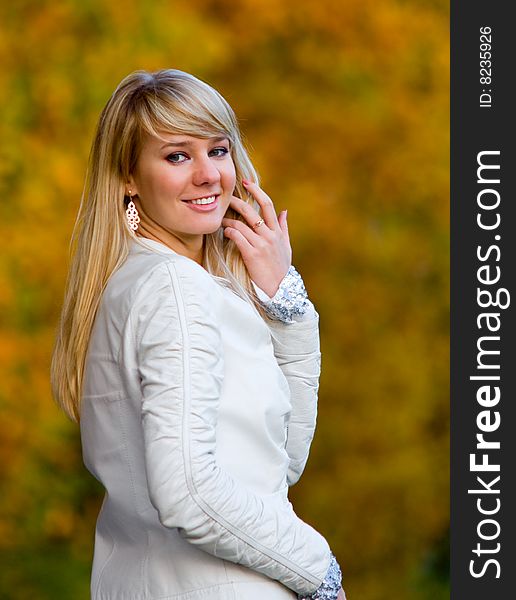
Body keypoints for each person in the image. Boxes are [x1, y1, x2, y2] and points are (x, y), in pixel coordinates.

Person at [50, 69, 346, 600]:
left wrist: (286, 304)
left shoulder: (152, 283)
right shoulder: (173, 288)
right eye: (177, 155)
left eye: (218, 149)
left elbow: (279, 464)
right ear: (128, 178)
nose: (209, 175)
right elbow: (188, 493)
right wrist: (318, 570)